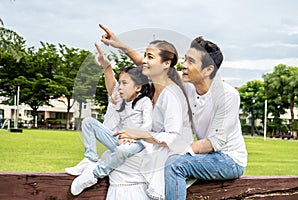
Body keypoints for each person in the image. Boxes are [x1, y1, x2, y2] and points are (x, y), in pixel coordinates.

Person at [99, 24, 247, 200]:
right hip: (205, 155)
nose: (183, 65)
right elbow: (153, 66)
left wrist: (173, 148)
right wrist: (120, 45)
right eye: (185, 59)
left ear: (208, 70)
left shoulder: (227, 95)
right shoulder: (187, 85)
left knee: (174, 164)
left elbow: (214, 143)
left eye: (191, 62)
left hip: (228, 159)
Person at [96, 25, 194, 199]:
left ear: (166, 64)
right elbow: (117, 93)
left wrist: (138, 135)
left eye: (150, 57)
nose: (144, 61)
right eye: (145, 56)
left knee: (117, 165)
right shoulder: (148, 88)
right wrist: (113, 56)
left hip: (166, 155)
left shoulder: (171, 94)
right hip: (149, 149)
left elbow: (172, 137)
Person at [65, 45, 153, 196]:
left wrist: (133, 136)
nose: (120, 87)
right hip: (119, 140)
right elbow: (111, 86)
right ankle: (90, 159)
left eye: (124, 83)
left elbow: (148, 125)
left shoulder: (144, 102)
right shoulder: (122, 100)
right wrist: (107, 66)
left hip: (138, 143)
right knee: (88, 122)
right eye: (120, 83)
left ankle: (95, 174)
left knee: (123, 150)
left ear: (138, 87)